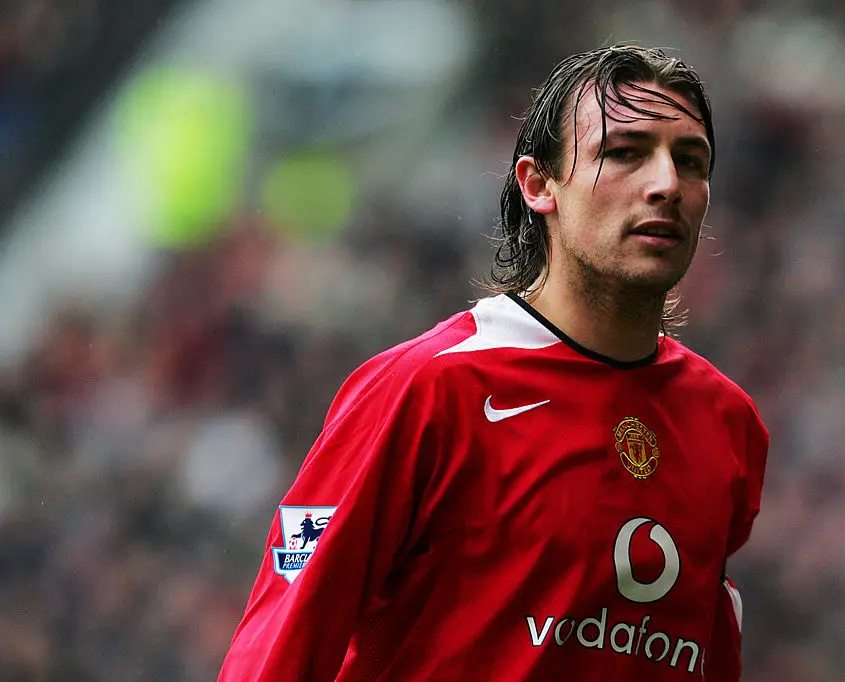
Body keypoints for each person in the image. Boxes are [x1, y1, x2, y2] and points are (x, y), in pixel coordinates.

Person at [219, 44, 769, 681]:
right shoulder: (427, 387)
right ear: (539, 185)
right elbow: (284, 636)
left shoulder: (727, 424)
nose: (666, 184)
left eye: (690, 161)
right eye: (624, 153)